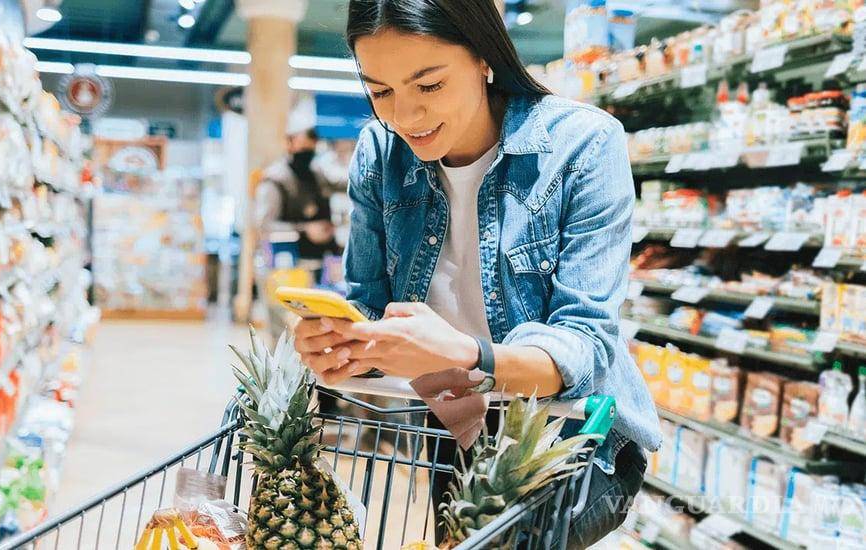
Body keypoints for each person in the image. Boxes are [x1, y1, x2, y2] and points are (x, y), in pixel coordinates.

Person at [292, 0, 662, 548]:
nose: (405, 116)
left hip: (568, 435)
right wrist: (345, 343)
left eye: (430, 86)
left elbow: (583, 344)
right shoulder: (379, 154)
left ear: (485, 57)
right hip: (453, 424)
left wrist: (466, 355)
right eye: (380, 91)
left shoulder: (584, 144)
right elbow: (369, 303)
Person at [254, 127, 339, 262]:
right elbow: (264, 226)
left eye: (311, 149)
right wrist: (304, 230)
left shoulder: (317, 175)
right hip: (286, 263)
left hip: (322, 261)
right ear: (289, 143)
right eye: (303, 148)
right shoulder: (275, 180)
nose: (307, 154)